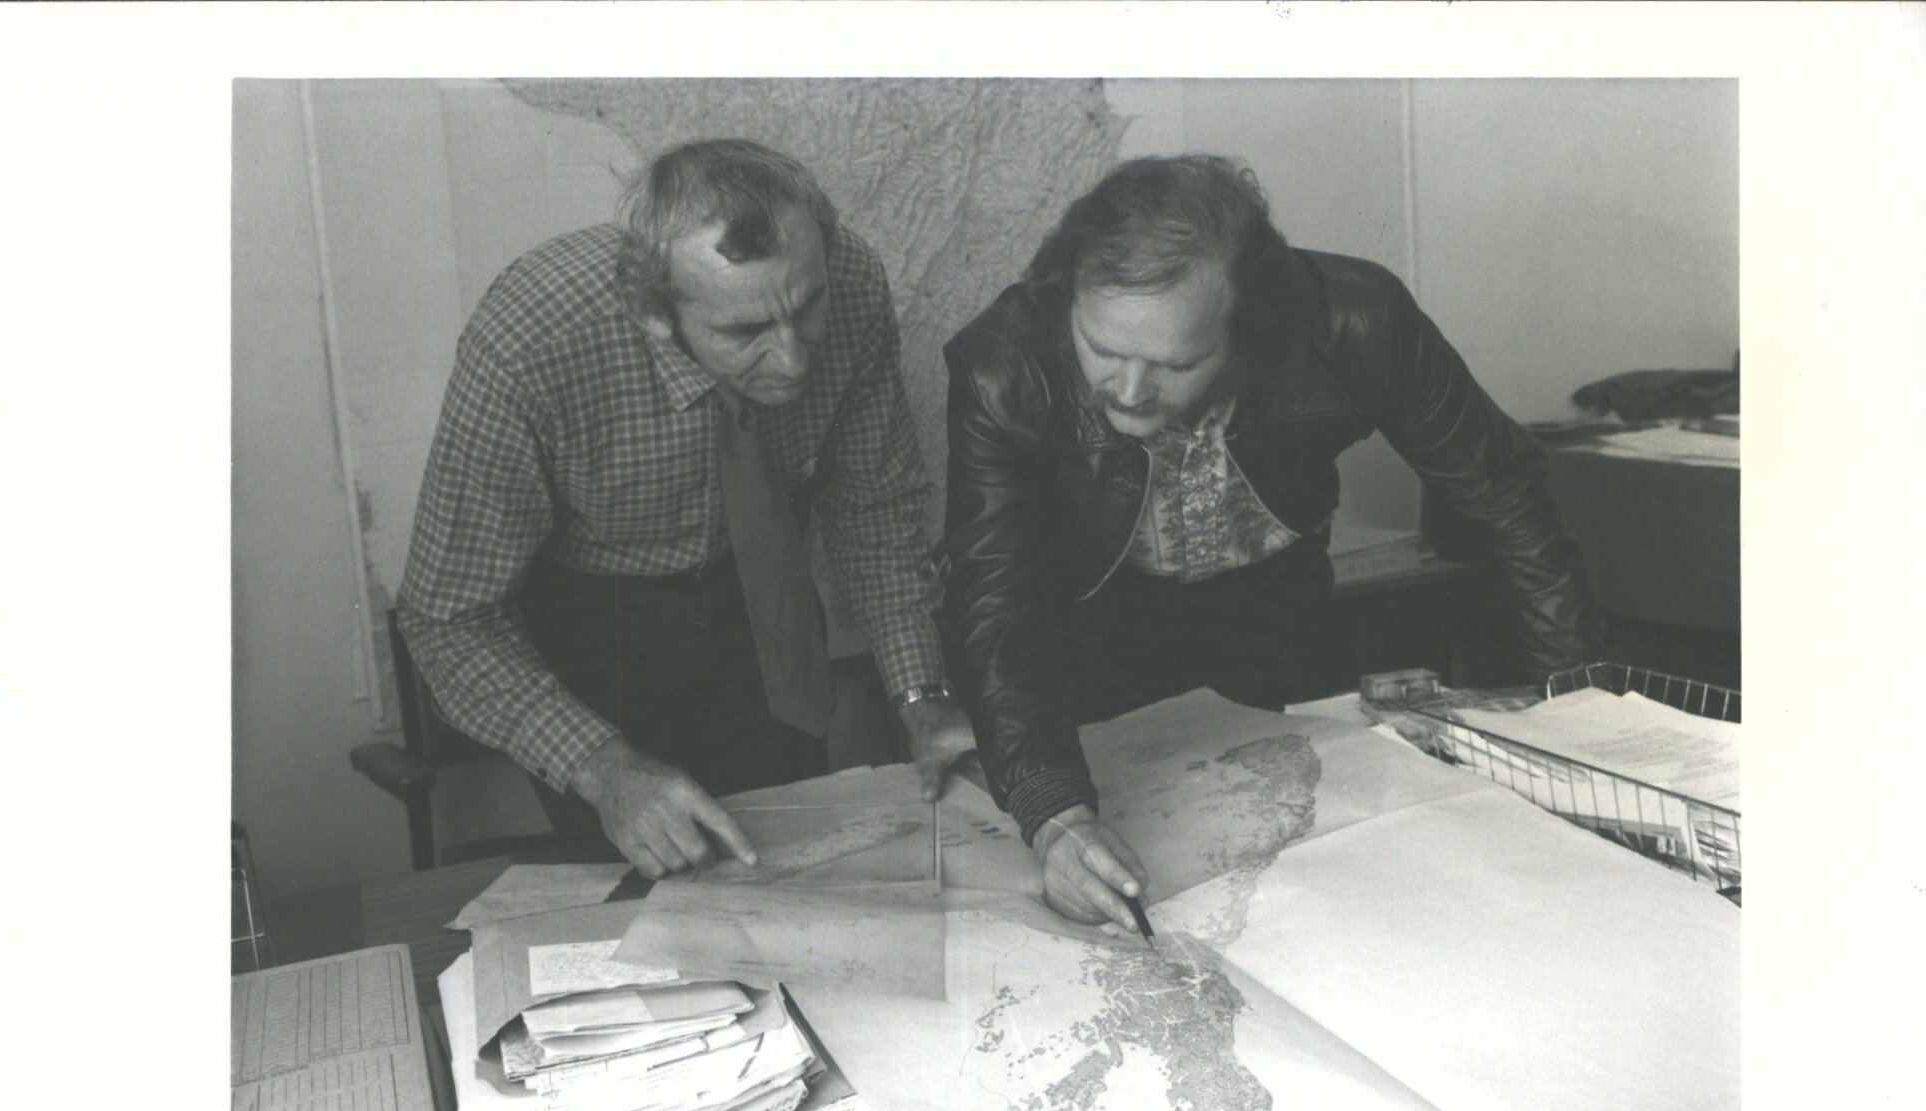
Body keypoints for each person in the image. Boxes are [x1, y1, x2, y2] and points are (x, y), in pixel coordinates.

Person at [940, 154, 1604, 932]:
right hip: (1088, 643)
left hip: (1276, 621)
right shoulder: (1001, 362)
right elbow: (992, 597)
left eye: (1174, 363)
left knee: (1324, 895)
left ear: (1246, 328)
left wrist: (1583, 709)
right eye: (1102, 349)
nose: (1126, 390)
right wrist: (1052, 811)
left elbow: (1503, 497)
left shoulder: (1356, 320)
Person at [399, 139, 974, 879]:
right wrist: (604, 770)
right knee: (653, 891)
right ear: (656, 315)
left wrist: (921, 694)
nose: (795, 359)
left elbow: (874, 510)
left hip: (760, 596)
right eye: (744, 333)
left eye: (806, 308)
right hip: (595, 623)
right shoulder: (533, 338)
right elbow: (448, 617)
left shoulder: (848, 279)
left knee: (789, 870)